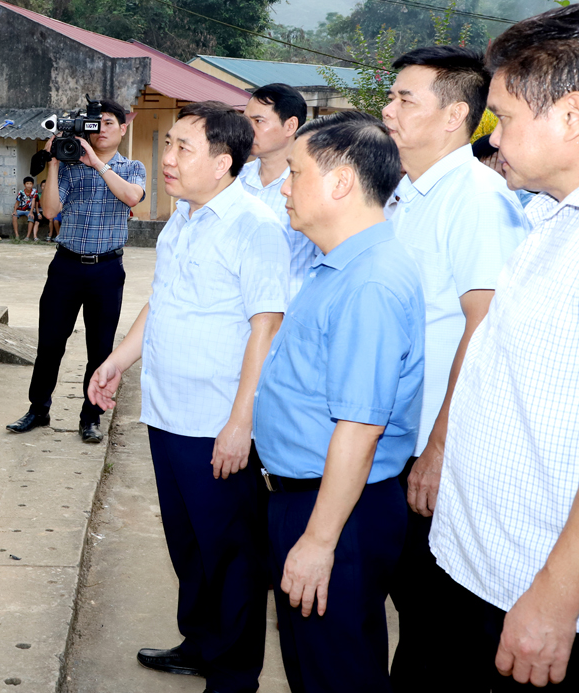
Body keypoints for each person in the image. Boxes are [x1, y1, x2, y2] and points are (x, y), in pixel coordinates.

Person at [89, 102, 288, 692]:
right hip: (167, 413)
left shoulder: (254, 226)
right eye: (168, 144)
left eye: (182, 148)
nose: (167, 158)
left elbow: (266, 325)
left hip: (216, 422)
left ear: (224, 162)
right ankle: (200, 642)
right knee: (189, 545)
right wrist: (118, 360)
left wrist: (240, 422)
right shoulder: (184, 218)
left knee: (230, 555)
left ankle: (233, 676)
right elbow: (165, 301)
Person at [429, 3, 579, 691]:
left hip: (537, 598)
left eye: (506, 118)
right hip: (478, 568)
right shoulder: (547, 219)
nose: (492, 139)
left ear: (572, 116)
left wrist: (555, 596)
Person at [253, 111, 423, 693]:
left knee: (339, 674)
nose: (283, 185)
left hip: (337, 511)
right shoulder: (337, 267)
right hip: (311, 498)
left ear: (341, 182)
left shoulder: (369, 282)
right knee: (313, 667)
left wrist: (320, 540)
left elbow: (359, 429)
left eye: (295, 172)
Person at [377, 46, 530, 691]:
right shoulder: (405, 195)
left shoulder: (474, 197)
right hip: (394, 440)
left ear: (454, 116)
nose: (387, 111)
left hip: (432, 449)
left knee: (436, 623)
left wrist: (441, 444)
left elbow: (485, 324)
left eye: (405, 100)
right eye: (391, 97)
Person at [6, 99, 146, 444]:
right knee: (50, 345)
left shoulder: (132, 168)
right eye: (95, 123)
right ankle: (38, 409)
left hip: (107, 270)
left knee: (100, 349)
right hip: (66, 267)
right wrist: (54, 162)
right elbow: (51, 210)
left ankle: (90, 417)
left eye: (109, 123)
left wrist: (97, 164)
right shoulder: (69, 167)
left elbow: (131, 197)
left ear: (123, 128)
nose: (101, 130)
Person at [241, 82, 320, 298]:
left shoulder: (312, 186)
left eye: (258, 121)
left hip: (289, 311)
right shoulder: (232, 180)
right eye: (246, 120)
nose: (248, 129)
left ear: (290, 126)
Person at [14, 176, 38, 240]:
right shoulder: (21, 192)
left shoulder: (34, 191)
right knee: (14, 216)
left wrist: (31, 212)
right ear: (24, 184)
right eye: (27, 184)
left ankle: (27, 237)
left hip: (29, 210)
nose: (29, 185)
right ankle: (17, 235)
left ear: (32, 184)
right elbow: (17, 202)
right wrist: (14, 210)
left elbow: (33, 202)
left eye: (30, 184)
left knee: (31, 217)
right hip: (21, 209)